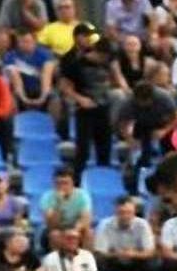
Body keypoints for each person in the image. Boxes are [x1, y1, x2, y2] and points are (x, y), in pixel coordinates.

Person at [58, 23, 114, 172]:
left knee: (105, 149)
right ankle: (78, 178)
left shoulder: (105, 63)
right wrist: (80, 99)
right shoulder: (75, 64)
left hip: (103, 108)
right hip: (85, 111)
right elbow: (64, 86)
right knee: (83, 151)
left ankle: (102, 177)